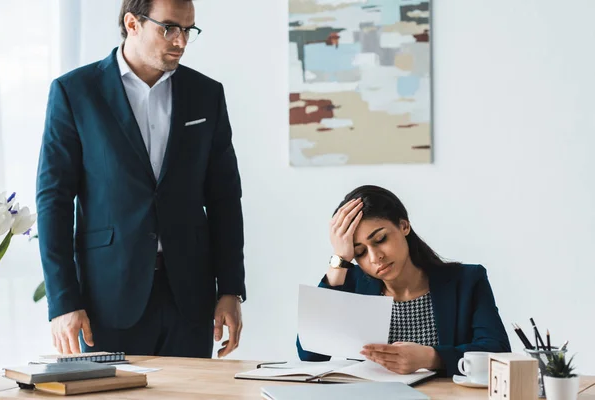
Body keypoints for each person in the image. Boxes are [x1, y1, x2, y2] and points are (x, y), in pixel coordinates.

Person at [36, 0, 245, 358]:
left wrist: (230, 289)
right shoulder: (75, 92)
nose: (180, 41)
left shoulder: (206, 95)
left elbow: (225, 198)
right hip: (107, 297)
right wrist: (62, 301)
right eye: (169, 28)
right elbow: (53, 201)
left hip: (190, 297)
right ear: (132, 23)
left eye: (188, 30)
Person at [297, 185, 510, 376]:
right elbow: (310, 355)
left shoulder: (467, 281)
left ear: (404, 226)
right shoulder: (351, 284)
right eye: (359, 252)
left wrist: (431, 357)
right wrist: (340, 261)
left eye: (380, 239)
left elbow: (498, 351)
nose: (374, 257)